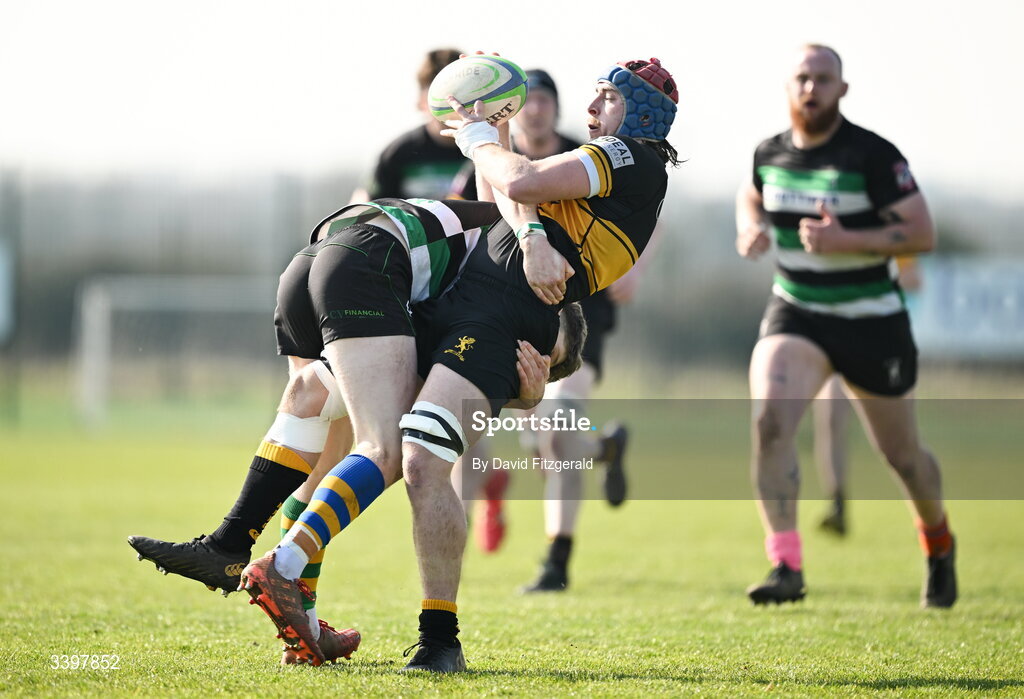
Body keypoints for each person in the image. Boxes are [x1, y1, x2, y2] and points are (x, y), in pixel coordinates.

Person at [130, 195, 581, 665]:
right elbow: (461, 383)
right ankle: (280, 564)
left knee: (315, 421)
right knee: (386, 448)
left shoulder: (469, 279)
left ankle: (250, 568)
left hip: (314, 261)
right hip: (373, 261)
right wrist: (521, 393)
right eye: (542, 357)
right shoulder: (524, 299)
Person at [379, 55, 680, 671]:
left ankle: (532, 573)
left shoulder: (622, 154)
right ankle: (287, 561)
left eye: (607, 98)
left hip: (532, 320)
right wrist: (528, 220)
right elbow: (503, 199)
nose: (592, 110)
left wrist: (477, 137)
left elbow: (517, 185)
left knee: (461, 446)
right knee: (391, 438)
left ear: (641, 110)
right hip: (485, 302)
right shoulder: (608, 156)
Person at [735, 44, 956, 608]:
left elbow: (922, 233)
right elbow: (752, 194)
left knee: (902, 456)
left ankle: (938, 542)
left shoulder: (873, 157)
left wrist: (846, 241)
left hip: (870, 321)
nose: (812, 88)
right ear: (789, 88)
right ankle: (786, 564)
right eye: (803, 79)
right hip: (797, 310)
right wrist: (750, 229)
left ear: (842, 90)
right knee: (768, 419)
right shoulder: (770, 152)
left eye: (823, 79)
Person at [449, 69, 634, 560]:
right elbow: (479, 223)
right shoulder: (486, 165)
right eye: (528, 102)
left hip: (578, 312)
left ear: (556, 108)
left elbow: (639, 217)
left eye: (546, 100)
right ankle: (603, 447)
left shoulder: (585, 154)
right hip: (514, 309)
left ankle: (558, 557)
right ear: (511, 107)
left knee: (557, 423)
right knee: (541, 436)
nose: (537, 109)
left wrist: (635, 268)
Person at [813, 255, 923, 536]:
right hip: (833, 339)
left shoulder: (881, 230)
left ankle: (923, 514)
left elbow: (914, 281)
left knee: (898, 447)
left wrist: (877, 283)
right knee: (830, 418)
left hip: (875, 342)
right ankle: (837, 502)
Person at [348, 48, 467, 202]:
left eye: (459, 94)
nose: (452, 103)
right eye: (439, 95)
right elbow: (366, 204)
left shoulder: (489, 148)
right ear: (421, 102)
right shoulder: (398, 152)